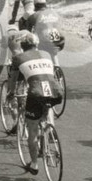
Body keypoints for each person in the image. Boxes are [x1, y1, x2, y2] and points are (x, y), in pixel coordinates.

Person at [7, 34, 63, 173]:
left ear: (22, 47)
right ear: (36, 45)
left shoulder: (18, 58)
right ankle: (48, 130)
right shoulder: (46, 54)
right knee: (46, 109)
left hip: (37, 92)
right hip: (55, 91)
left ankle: (34, 164)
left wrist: (11, 93)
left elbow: (13, 80)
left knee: (32, 129)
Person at [25, 0, 64, 64]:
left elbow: (28, 32)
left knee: (35, 49)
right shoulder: (54, 13)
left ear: (35, 6)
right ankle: (58, 69)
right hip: (58, 40)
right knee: (54, 54)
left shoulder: (34, 16)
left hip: (44, 41)